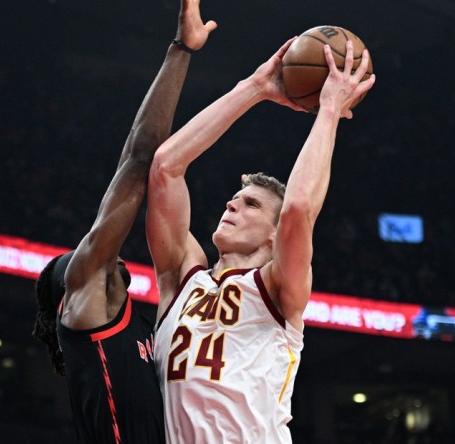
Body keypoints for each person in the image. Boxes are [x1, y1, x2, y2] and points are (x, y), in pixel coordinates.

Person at [146, 39, 375, 442]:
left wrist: (329, 112)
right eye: (233, 200)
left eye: (250, 204)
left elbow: (298, 208)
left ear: (275, 234)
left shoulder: (277, 287)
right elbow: (166, 167)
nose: (231, 206)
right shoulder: (182, 276)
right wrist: (253, 88)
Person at [31, 1, 216, 443]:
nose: (93, 249)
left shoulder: (133, 324)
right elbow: (139, 158)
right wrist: (181, 51)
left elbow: (132, 161)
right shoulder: (85, 307)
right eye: (81, 256)